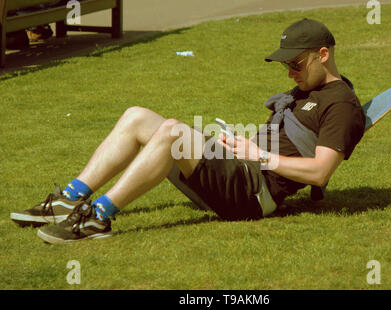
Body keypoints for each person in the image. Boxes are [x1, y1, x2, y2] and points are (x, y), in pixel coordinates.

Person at [10, 18, 366, 244]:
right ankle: (68, 198)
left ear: (322, 54)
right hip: (239, 170)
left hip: (255, 194)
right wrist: (235, 147)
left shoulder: (340, 104)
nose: (289, 72)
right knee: (137, 116)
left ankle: (98, 218)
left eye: (295, 63)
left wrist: (257, 155)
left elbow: (320, 173)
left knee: (171, 132)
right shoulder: (308, 89)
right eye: (286, 64)